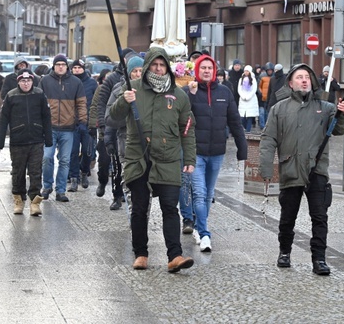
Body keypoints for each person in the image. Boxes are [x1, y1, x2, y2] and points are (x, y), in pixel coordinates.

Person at [109, 48, 196, 273]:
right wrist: (123, 101)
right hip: (139, 159)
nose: (158, 69)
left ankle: (174, 256)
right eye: (155, 65)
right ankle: (141, 254)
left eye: (162, 65)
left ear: (167, 67)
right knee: (139, 209)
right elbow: (113, 117)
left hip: (167, 160)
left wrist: (190, 158)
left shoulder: (179, 95)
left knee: (170, 207)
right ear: (148, 66)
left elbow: (186, 129)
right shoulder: (133, 89)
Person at [259, 64, 344, 276]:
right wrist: (266, 168)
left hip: (316, 170)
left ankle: (319, 259)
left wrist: (342, 114)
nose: (304, 80)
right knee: (287, 216)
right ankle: (284, 252)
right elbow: (268, 138)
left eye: (307, 77)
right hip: (290, 169)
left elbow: (338, 129)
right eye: (299, 77)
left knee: (319, 217)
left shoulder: (325, 107)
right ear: (290, 83)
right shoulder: (279, 109)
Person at [184, 54, 247, 252]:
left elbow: (235, 121)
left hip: (217, 152)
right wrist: (190, 95)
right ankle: (204, 234)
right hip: (196, 152)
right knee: (200, 194)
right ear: (196, 70)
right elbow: (181, 117)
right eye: (202, 68)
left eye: (209, 68)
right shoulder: (189, 91)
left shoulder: (225, 92)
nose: (206, 71)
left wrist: (242, 146)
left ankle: (197, 225)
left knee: (209, 194)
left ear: (214, 71)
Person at [0, 69, 52, 216]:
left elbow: (46, 117)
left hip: (36, 140)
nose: (26, 83)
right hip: (18, 141)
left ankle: (35, 202)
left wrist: (48, 137)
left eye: (28, 81)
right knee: (18, 172)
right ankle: (19, 201)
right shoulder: (11, 96)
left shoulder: (39, 94)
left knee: (35, 173)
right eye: (23, 81)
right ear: (18, 82)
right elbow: (3, 120)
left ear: (32, 81)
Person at [41, 54, 88, 203]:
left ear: (66, 66)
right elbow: (39, 102)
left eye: (63, 64)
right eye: (57, 64)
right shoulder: (45, 81)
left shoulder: (75, 82)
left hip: (68, 128)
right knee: (47, 157)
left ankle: (60, 190)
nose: (60, 66)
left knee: (65, 160)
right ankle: (47, 185)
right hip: (49, 127)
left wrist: (82, 121)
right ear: (54, 66)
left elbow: (81, 103)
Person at [104, 54, 144, 211]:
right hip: (126, 143)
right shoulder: (119, 90)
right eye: (135, 71)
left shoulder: (150, 90)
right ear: (128, 73)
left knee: (143, 189)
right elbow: (109, 118)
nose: (138, 74)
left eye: (141, 70)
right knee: (129, 185)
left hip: (146, 145)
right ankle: (134, 220)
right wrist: (127, 113)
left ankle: (141, 219)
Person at [68, 59, 98, 192]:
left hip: (88, 123)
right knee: (73, 152)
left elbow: (97, 102)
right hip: (72, 123)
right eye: (74, 68)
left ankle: (84, 172)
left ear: (83, 69)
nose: (76, 70)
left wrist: (95, 120)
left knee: (88, 151)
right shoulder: (68, 82)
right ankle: (74, 178)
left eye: (79, 68)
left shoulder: (92, 83)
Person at [237, 65, 259, 133]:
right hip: (243, 100)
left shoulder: (253, 79)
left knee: (249, 116)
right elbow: (239, 89)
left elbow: (254, 89)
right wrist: (243, 96)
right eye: (245, 71)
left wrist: (249, 97)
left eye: (247, 71)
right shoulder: (241, 79)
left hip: (251, 100)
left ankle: (248, 131)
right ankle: (245, 128)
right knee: (242, 117)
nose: (246, 72)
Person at [258, 62, 274, 128]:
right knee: (262, 113)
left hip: (270, 98)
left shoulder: (274, 77)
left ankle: (267, 126)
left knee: (268, 113)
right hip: (262, 98)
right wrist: (261, 93)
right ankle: (262, 126)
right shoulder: (262, 77)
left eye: (271, 70)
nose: (269, 72)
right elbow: (259, 86)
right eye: (268, 70)